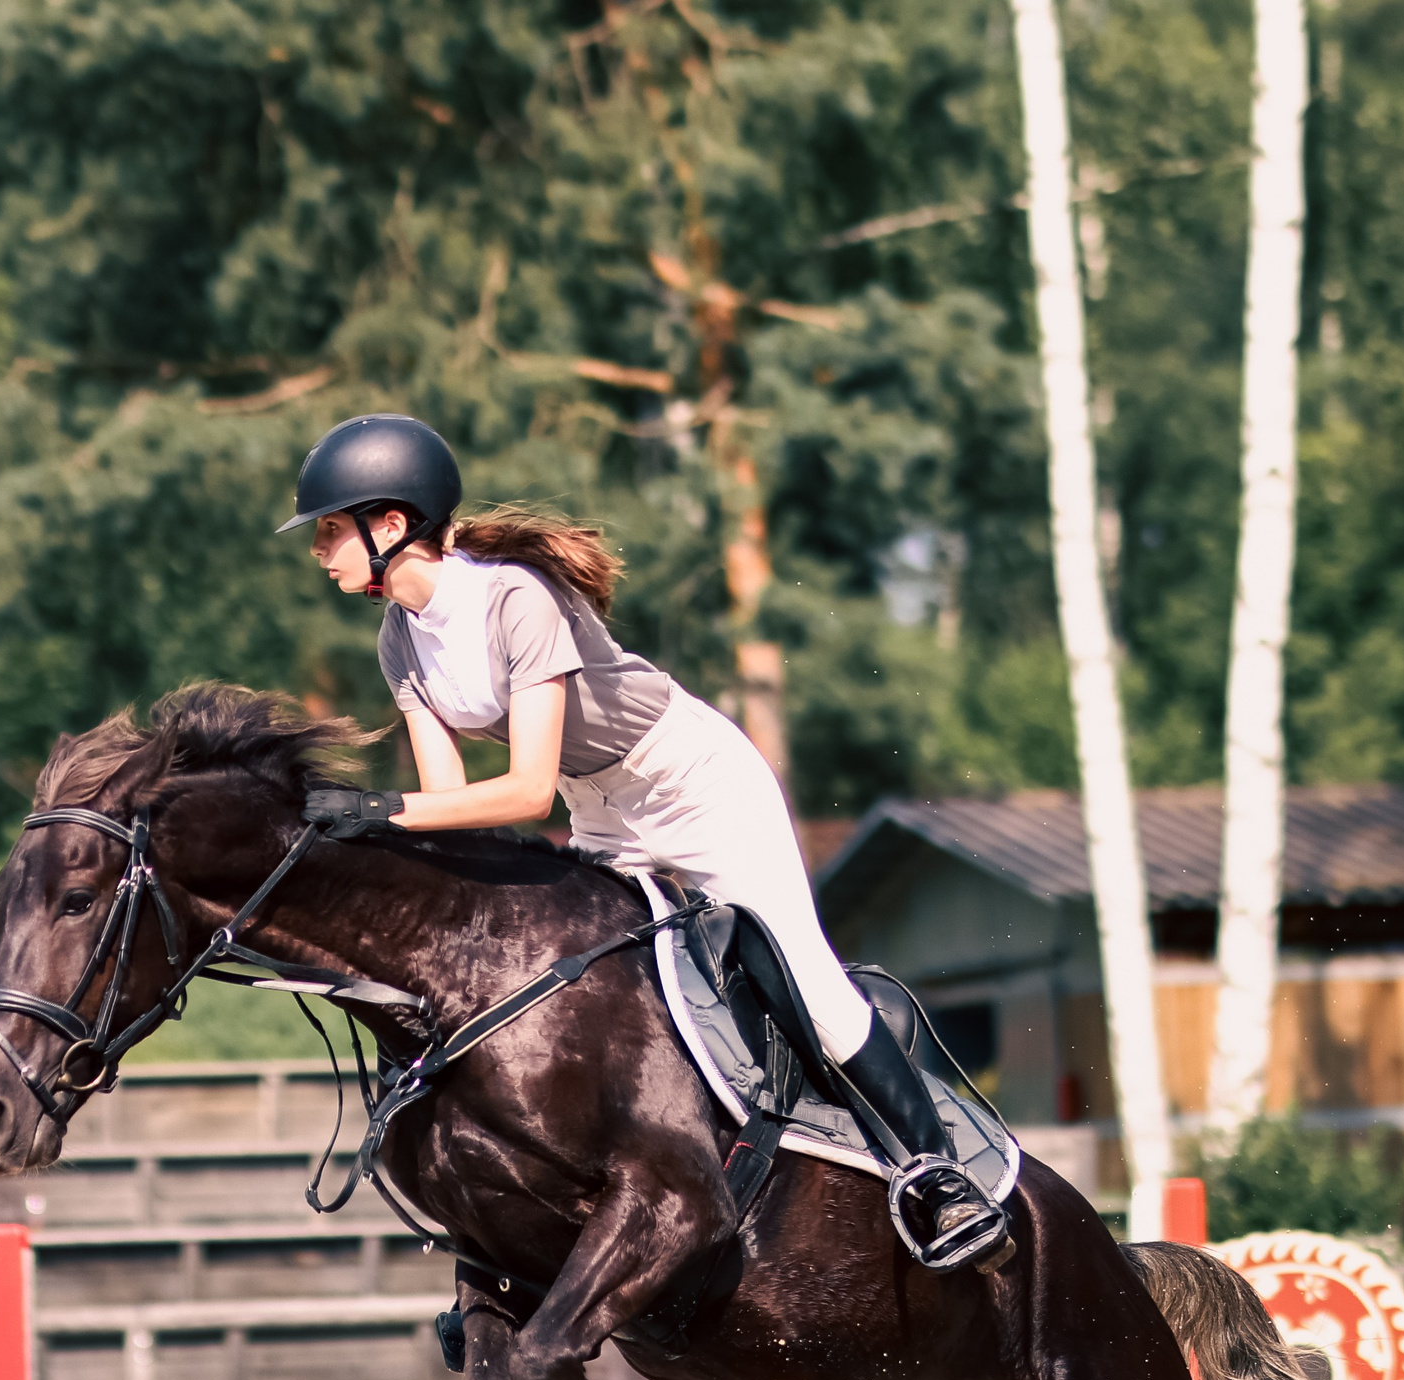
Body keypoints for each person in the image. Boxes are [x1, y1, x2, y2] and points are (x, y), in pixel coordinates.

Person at [280, 412, 1007, 1273]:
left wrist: (379, 809)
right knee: (576, 980)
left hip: (691, 779)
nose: (321, 550)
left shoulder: (512, 597)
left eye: (330, 529)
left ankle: (940, 1172)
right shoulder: (398, 639)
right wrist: (366, 832)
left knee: (806, 980)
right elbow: (452, 804)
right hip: (604, 806)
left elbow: (521, 789)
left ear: (390, 525)